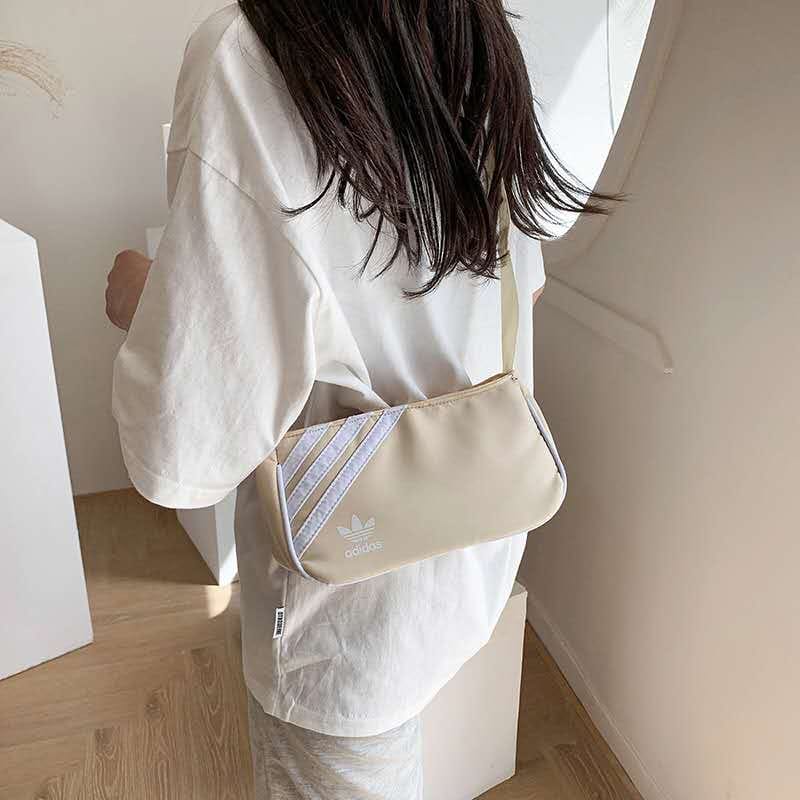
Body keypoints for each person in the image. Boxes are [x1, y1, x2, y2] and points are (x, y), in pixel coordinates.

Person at [107, 3, 608, 798]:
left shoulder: (247, 54)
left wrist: (145, 299)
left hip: (341, 622)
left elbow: (182, 452)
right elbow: (522, 288)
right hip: (468, 556)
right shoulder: (474, 29)